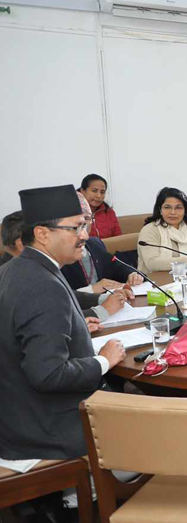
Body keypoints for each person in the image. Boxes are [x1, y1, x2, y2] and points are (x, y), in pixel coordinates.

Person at [0, 185, 126, 462]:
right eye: (75, 228)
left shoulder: (15, 269)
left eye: (84, 225)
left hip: (18, 420)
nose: (85, 235)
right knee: (168, 431)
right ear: (42, 234)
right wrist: (103, 361)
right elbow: (48, 374)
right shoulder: (42, 284)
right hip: (48, 431)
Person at [1, 208, 126, 320]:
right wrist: (101, 311)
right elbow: (51, 321)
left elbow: (66, 295)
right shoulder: (18, 277)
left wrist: (100, 299)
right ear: (22, 245)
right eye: (74, 229)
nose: (84, 236)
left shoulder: (26, 267)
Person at [62, 192, 143, 293]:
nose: (85, 225)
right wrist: (91, 290)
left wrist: (132, 274)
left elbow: (116, 266)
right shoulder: (57, 255)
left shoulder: (94, 244)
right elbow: (57, 296)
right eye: (77, 223)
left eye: (87, 218)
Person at [137, 187, 187, 274]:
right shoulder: (150, 229)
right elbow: (152, 263)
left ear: (185, 211)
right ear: (160, 210)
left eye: (178, 208)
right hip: (154, 280)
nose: (173, 212)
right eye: (167, 207)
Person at [78, 174, 121, 239]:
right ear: (82, 191)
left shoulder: (109, 213)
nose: (99, 196)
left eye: (102, 192)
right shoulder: (73, 214)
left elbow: (118, 238)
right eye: (94, 191)